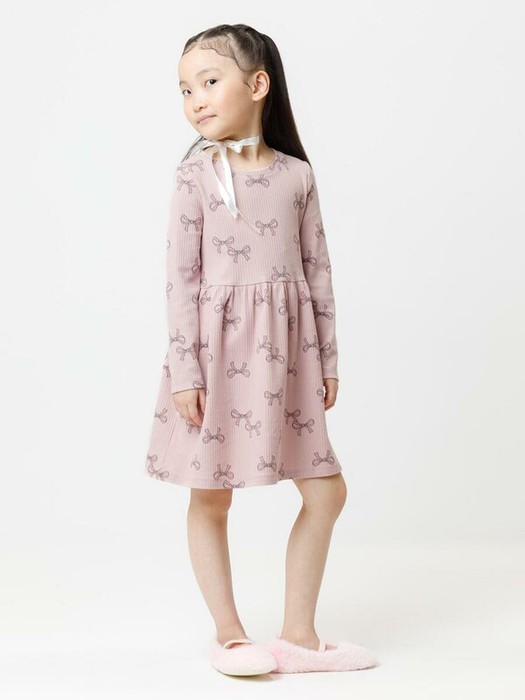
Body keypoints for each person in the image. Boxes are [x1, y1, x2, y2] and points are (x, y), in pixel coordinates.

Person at [145, 23, 378, 676]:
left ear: (257, 85)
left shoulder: (297, 176)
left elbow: (319, 271)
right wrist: (186, 371)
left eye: (208, 81)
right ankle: (229, 635)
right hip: (213, 359)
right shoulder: (195, 177)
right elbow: (181, 278)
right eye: (184, 89)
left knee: (325, 492)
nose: (195, 98)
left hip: (289, 362)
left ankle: (298, 635)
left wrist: (328, 361)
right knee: (210, 495)